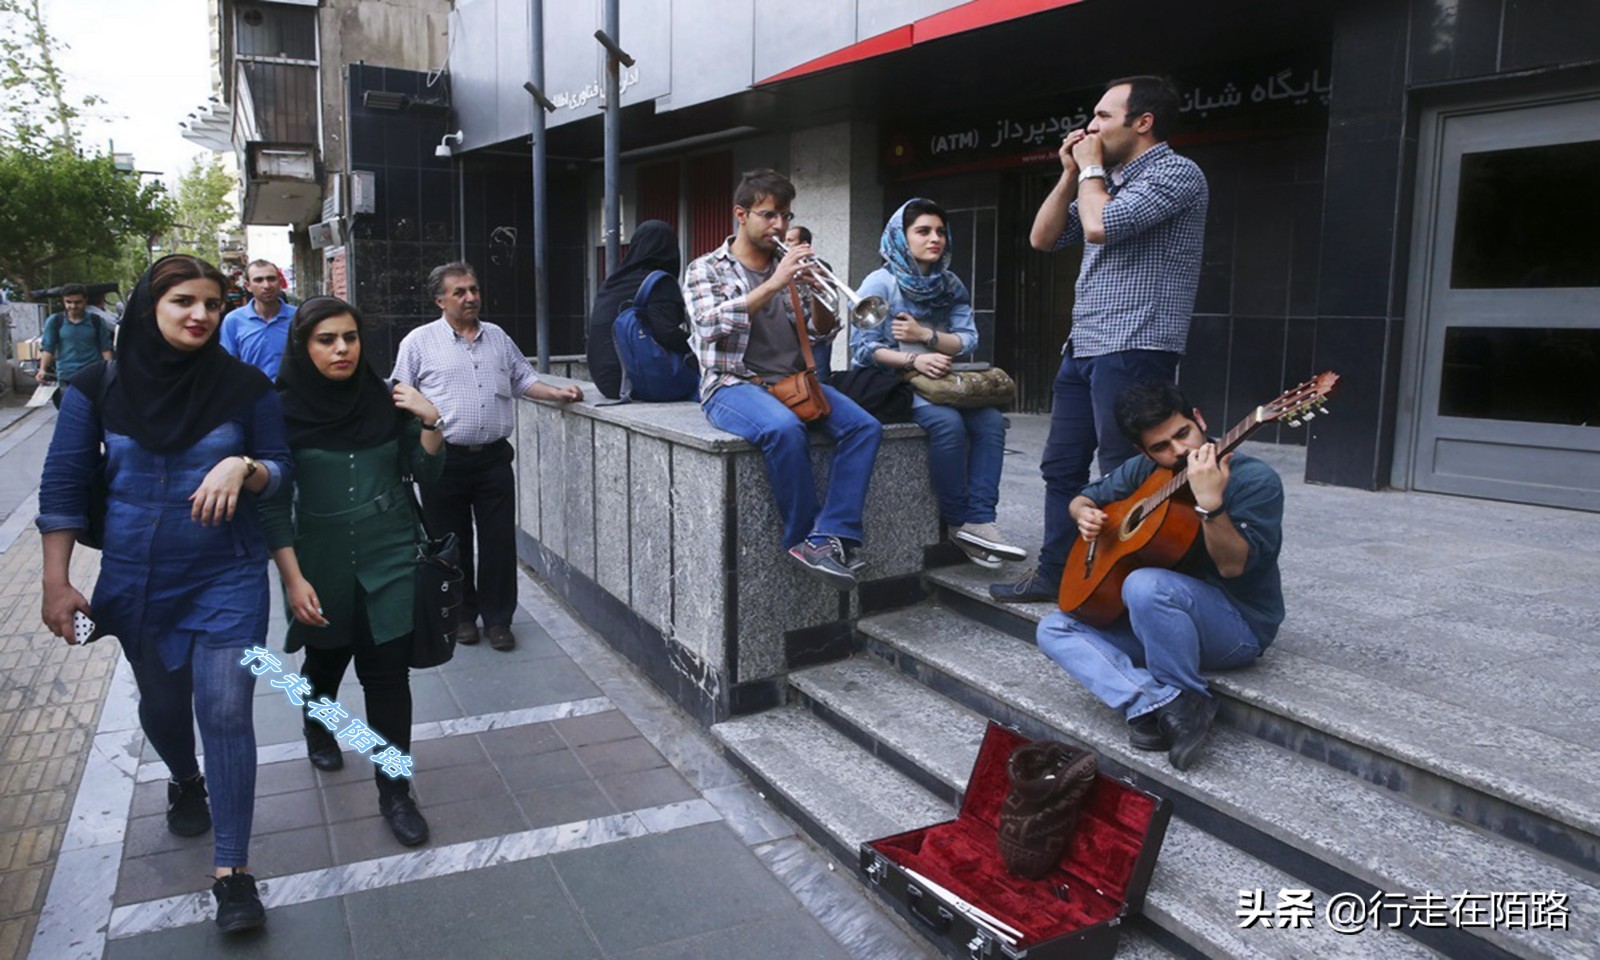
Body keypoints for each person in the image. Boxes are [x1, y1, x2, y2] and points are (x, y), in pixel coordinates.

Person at [36, 255, 290, 932]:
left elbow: (282, 470)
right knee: (163, 704)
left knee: (228, 711)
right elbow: (62, 487)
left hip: (228, 574)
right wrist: (56, 581)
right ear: (151, 307)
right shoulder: (96, 388)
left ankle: (233, 872)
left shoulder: (246, 387)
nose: (200, 314)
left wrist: (246, 466)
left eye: (211, 302)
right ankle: (184, 776)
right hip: (136, 578)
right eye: (182, 300)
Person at [991, 75, 1209, 602]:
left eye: (1103, 116)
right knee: (1062, 466)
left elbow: (1099, 227)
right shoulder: (1098, 181)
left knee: (1125, 469)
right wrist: (1071, 173)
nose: (1090, 126)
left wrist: (1090, 171)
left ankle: (1125, 582)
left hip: (1135, 343)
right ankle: (1054, 571)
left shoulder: (1176, 173)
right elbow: (1042, 238)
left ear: (1143, 122)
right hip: (1084, 345)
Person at [261, 296, 443, 847]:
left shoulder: (386, 400)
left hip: (390, 554)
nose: (341, 349)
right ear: (303, 345)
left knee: (387, 675)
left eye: (350, 338)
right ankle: (317, 722)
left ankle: (395, 791)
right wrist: (293, 579)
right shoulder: (278, 410)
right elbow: (271, 503)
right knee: (325, 658)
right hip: (319, 560)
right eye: (325, 340)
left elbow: (426, 472)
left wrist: (431, 418)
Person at [1035, 381, 1283, 772]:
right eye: (1161, 446)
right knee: (1053, 627)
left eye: (1183, 433)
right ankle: (1158, 703)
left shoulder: (1255, 480)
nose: (1179, 451)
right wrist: (1083, 513)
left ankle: (1186, 693)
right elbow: (1084, 496)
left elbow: (1232, 567)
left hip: (1238, 626)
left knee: (1144, 585)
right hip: (1158, 619)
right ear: (1143, 452)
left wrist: (1211, 506)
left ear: (1198, 418)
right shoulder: (1147, 470)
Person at [685, 169, 882, 590]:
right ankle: (801, 537)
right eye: (768, 215)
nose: (779, 226)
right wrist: (776, 283)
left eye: (786, 216)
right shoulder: (706, 269)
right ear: (741, 214)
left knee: (865, 428)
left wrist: (815, 291)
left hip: (794, 383)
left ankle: (830, 535)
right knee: (783, 429)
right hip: (732, 384)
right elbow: (708, 324)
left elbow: (821, 332)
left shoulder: (790, 268)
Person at [391, 261, 583, 651]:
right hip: (443, 460)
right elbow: (401, 393)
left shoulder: (497, 337)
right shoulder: (418, 342)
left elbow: (522, 380)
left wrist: (557, 393)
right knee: (451, 540)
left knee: (497, 542)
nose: (470, 297)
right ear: (440, 300)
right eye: (460, 292)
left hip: (493, 459)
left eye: (474, 290)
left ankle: (499, 619)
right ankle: (462, 615)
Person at [854, 198, 1026, 568]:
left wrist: (925, 335)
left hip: (939, 379)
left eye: (940, 232)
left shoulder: (949, 284)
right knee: (946, 424)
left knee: (991, 421)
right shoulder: (880, 282)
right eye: (923, 231)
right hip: (893, 381)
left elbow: (967, 339)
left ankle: (981, 521)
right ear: (901, 237)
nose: (935, 239)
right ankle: (957, 522)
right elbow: (864, 350)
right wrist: (915, 358)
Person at [586, 219, 695, 400]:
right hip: (634, 381)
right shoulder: (659, 283)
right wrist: (698, 346)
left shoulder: (613, 282)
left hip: (606, 381)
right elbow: (666, 333)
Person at [38, 283, 114, 407]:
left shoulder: (97, 321)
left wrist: (111, 371)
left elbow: (105, 348)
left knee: (93, 411)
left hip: (92, 375)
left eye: (78, 302)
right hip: (67, 375)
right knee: (69, 413)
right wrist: (42, 369)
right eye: (69, 302)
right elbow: (48, 347)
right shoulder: (55, 321)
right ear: (63, 301)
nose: (73, 306)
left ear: (85, 301)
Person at [220, 259, 296, 378]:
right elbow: (227, 365)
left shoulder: (298, 317)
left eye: (271, 279)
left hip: (291, 394)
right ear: (248, 286)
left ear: (280, 282)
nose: (266, 285)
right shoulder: (233, 321)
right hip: (251, 393)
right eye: (258, 280)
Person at [784, 224, 839, 380]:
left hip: (816, 341)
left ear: (804, 245)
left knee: (820, 385)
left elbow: (831, 306)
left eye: (790, 241)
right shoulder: (780, 267)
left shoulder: (820, 267)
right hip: (791, 340)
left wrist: (820, 286)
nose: (785, 245)